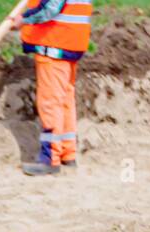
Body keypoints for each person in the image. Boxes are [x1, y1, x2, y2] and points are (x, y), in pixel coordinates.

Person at [13, 0, 92, 176]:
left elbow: (50, 8)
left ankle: (50, 159)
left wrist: (23, 19)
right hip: (70, 44)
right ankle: (67, 153)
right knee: (65, 101)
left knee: (50, 103)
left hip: (54, 45)